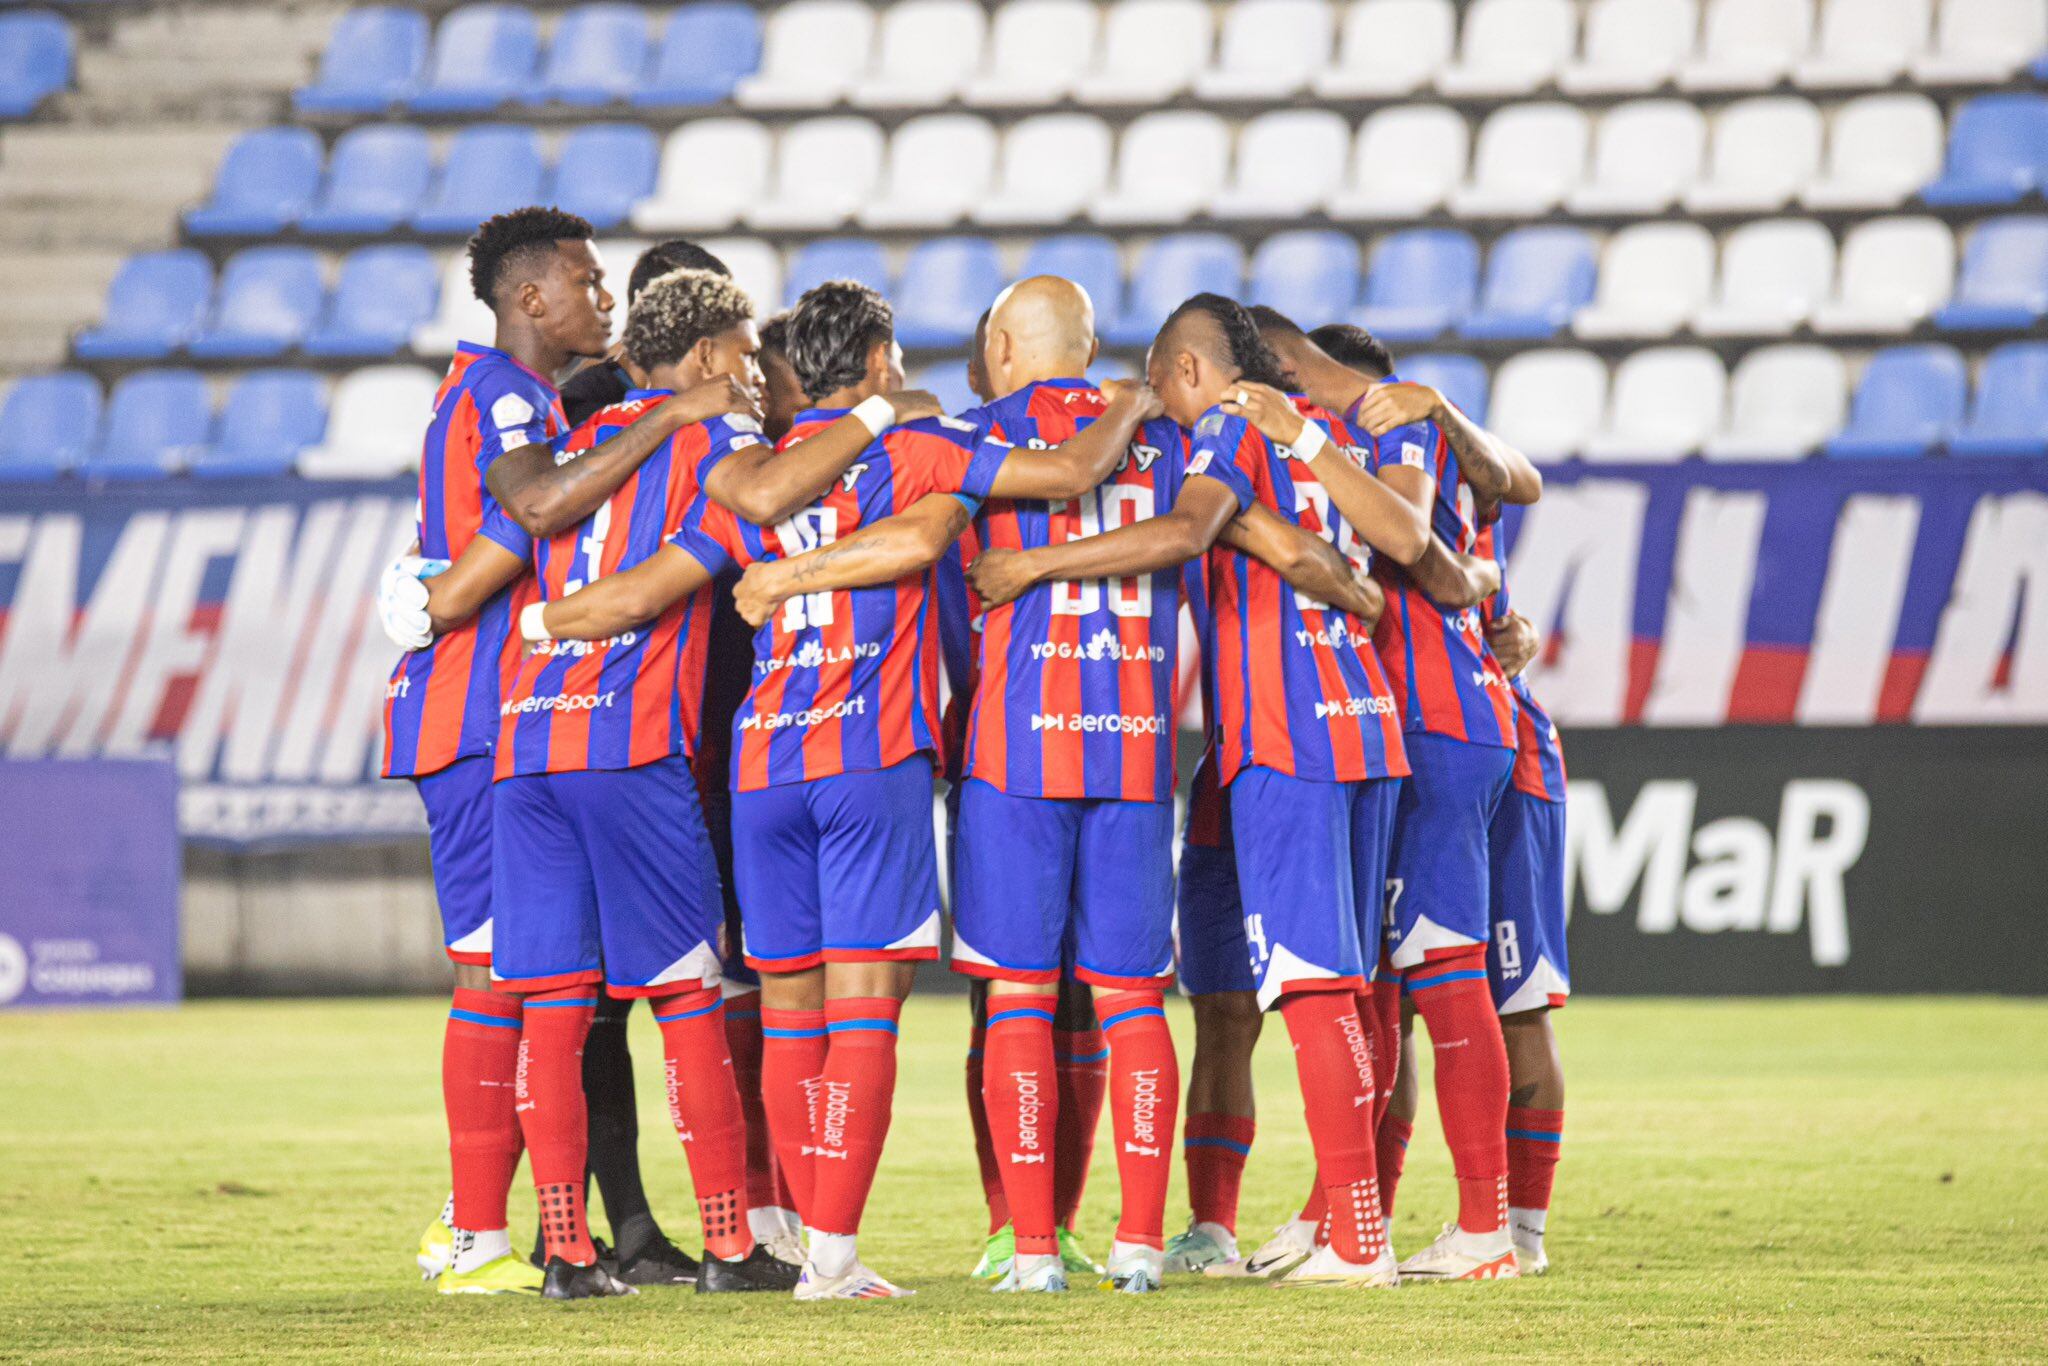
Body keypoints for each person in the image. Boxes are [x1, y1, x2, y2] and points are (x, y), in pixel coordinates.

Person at [490, 279, 1160, 1300]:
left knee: (786, 1012)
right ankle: (833, 1256)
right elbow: (1052, 477)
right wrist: (1131, 402)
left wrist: (535, 629)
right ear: (883, 365)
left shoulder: (747, 467)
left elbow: (651, 577)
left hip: (763, 762)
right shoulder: (916, 450)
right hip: (867, 759)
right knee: (863, 1012)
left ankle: (797, 1239)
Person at [967, 294, 1435, 1288]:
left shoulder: (1217, 431)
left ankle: (1353, 1236)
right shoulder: (1315, 441)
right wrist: (1344, 582)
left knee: (1302, 991)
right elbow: (1327, 543)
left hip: (1277, 733)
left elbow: (1187, 532)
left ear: (1182, 372)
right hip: (1312, 735)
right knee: (1303, 991)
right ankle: (1244, 1227)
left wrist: (1032, 561)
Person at [409, 268, 819, 1299]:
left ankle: (570, 1255)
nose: (758, 376)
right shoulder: (710, 435)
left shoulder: (574, 435)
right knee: (686, 998)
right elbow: (756, 507)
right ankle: (730, 1243)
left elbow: (523, 524)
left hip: (524, 747)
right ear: (713, 355)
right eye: (747, 351)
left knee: (550, 1004)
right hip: (627, 743)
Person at [1241, 310, 1543, 1281]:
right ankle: (1344, 1213)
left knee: (1440, 972)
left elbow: (1429, 541)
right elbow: (1488, 519)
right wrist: (1485, 588)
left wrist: (1438, 413)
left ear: (1289, 370)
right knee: (1383, 985)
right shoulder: (1373, 441)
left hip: (1429, 722)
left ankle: (1485, 1227)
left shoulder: (1389, 433)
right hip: (1415, 719)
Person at [941, 308, 1110, 1286]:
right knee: (1027, 1001)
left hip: (1035, 753)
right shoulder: (973, 461)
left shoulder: (985, 451)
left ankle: (1047, 1221)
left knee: (1052, 1001)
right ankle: (1017, 1218)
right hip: (1022, 757)